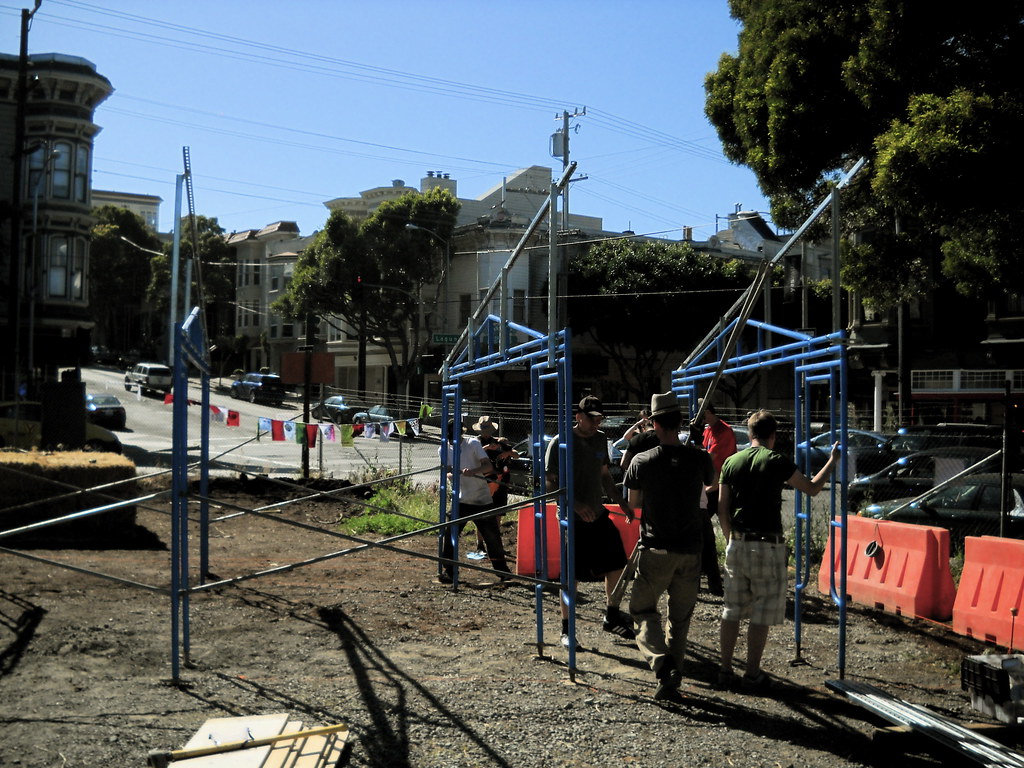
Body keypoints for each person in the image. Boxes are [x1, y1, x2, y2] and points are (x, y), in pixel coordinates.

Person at [716, 409, 839, 692]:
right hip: (768, 545)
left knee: (731, 610)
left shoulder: (731, 462)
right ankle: (752, 673)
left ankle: (724, 670)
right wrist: (832, 461)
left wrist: (730, 538)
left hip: (737, 542)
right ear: (773, 436)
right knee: (761, 613)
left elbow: (722, 508)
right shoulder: (777, 461)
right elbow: (811, 488)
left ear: (749, 434)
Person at [623, 391, 715, 702]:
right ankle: (673, 674)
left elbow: (634, 503)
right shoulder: (700, 458)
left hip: (656, 548)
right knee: (681, 617)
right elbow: (707, 484)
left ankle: (663, 667)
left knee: (642, 610)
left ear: (652, 423)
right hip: (691, 548)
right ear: (678, 422)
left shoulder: (642, 461)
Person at [545, 395, 636, 649]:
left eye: (599, 418)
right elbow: (550, 482)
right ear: (578, 417)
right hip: (571, 519)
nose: (596, 423)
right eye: (591, 418)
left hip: (598, 514)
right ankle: (566, 629)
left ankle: (612, 614)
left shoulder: (600, 438)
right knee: (571, 575)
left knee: (618, 563)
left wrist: (621, 501)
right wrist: (574, 504)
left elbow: (605, 474)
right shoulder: (560, 442)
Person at [438, 419, 512, 584]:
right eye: (449, 434)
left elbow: (488, 467)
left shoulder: (472, 444)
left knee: (492, 538)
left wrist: (473, 471)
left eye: (453, 434)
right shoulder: (443, 449)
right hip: (461, 499)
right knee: (450, 535)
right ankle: (450, 571)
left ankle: (504, 573)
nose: (451, 437)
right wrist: (455, 474)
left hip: (481, 499)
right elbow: (447, 472)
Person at [700, 402, 737, 596]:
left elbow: (710, 456)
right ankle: (712, 579)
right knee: (704, 532)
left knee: (720, 529)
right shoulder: (709, 430)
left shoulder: (723, 431)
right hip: (711, 486)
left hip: (721, 486)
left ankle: (724, 575)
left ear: (707, 412)